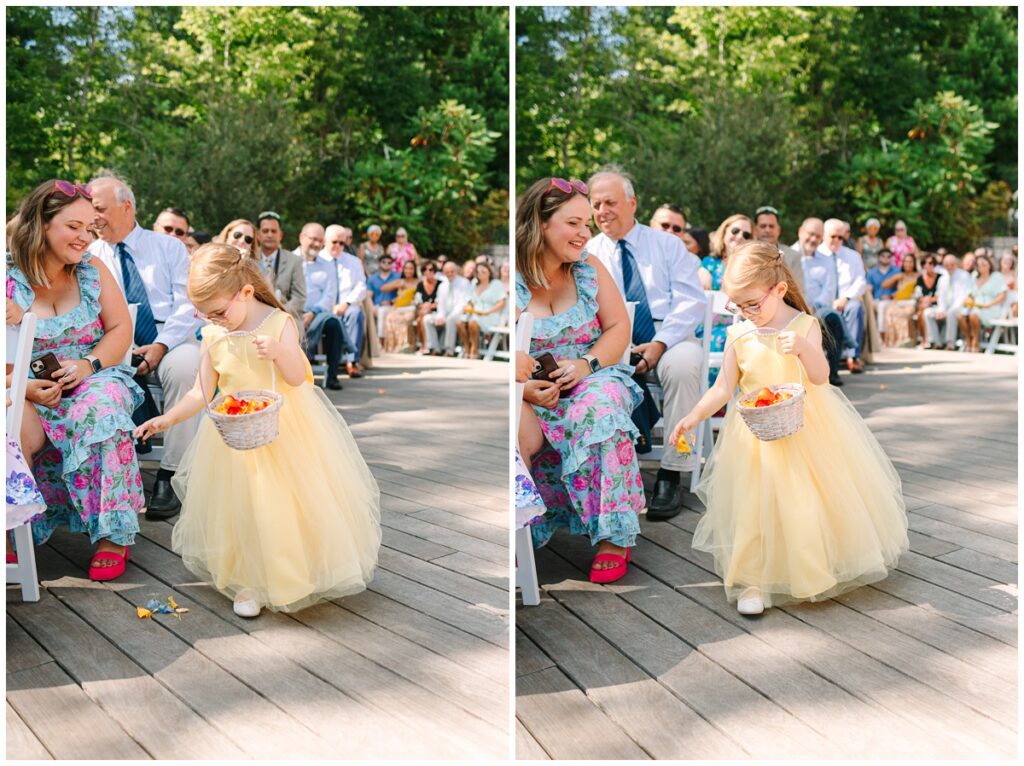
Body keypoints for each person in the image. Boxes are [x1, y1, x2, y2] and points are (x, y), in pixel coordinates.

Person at [134, 243, 381, 617]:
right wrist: (168, 420)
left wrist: (280, 353)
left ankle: (299, 570)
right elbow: (202, 391)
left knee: (287, 505)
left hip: (285, 430)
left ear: (246, 292)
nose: (213, 320)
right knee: (243, 508)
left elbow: (299, 378)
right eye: (205, 314)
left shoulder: (279, 324)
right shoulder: (214, 335)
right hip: (235, 438)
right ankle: (248, 579)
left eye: (218, 311)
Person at [669, 240, 908, 615]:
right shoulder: (739, 335)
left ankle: (813, 568)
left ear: (778, 290)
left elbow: (821, 377)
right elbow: (722, 389)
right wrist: (693, 416)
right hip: (754, 438)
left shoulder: (803, 325)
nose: (746, 313)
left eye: (753, 303)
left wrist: (802, 347)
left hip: (805, 428)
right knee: (752, 508)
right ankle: (752, 580)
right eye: (738, 305)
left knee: (805, 501)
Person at [7, 179, 146, 579]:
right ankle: (15, 533)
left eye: (91, 227)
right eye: (74, 227)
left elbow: (120, 329)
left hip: (93, 373)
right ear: (42, 223)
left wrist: (88, 365)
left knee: (100, 409)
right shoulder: (7, 277)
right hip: (23, 383)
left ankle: (112, 535)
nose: (85, 237)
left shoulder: (91, 269)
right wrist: (26, 387)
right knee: (14, 426)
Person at [517, 177, 645, 582]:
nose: (584, 233)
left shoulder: (588, 268)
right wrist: (521, 388)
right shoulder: (512, 279)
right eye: (573, 223)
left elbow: (618, 329)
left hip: (593, 375)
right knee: (514, 427)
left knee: (600, 408)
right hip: (528, 391)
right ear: (541, 222)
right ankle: (518, 528)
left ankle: (614, 536)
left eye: (586, 224)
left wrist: (587, 364)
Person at [587, 169, 706, 519]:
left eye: (610, 202)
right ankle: (614, 473)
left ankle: (672, 472)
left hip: (669, 334)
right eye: (596, 204)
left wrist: (659, 342)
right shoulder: (587, 253)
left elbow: (690, 301)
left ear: (632, 203)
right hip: (611, 339)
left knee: (685, 366)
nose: (603, 211)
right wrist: (617, 346)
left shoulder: (666, 244)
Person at [88, 173, 201, 518]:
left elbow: (188, 304)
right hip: (112, 339)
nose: (94, 218)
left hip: (169, 336)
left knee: (187, 367)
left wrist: (161, 346)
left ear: (126, 207)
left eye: (100, 209)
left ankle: (171, 474)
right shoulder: (89, 254)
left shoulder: (168, 247)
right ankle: (114, 471)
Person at [804, 218, 867, 377]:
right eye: (833, 236)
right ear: (824, 235)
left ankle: (852, 356)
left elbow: (860, 281)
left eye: (841, 237)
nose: (837, 241)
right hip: (820, 303)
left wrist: (845, 298)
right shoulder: (814, 254)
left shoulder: (853, 256)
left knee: (855, 308)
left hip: (845, 299)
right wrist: (825, 301)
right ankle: (847, 344)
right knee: (831, 315)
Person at [297, 222, 348, 389]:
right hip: (292, 311)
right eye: (313, 239)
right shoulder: (288, 260)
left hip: (318, 313)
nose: (317, 244)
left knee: (334, 324)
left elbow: (329, 296)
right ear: (302, 238)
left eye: (321, 240)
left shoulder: (327, 266)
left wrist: (312, 312)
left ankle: (333, 375)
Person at [322, 224, 368, 378]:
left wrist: (347, 303)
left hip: (346, 306)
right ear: (325, 240)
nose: (338, 246)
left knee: (356, 313)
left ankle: (352, 361)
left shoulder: (353, 261)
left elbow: (361, 286)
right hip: (322, 308)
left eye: (342, 243)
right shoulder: (316, 259)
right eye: (334, 242)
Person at [255, 211, 306, 322]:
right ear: (258, 235)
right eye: (265, 231)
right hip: (255, 315)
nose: (270, 235)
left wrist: (279, 312)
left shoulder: (295, 261)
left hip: (285, 316)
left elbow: (299, 298)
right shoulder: (250, 259)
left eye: (274, 231)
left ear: (280, 235)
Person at [959, 254, 1007, 352]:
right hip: (975, 306)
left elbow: (1003, 295)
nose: (981, 266)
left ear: (989, 264)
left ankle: (976, 342)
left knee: (973, 315)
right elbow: (970, 294)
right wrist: (969, 300)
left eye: (984, 264)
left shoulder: (996, 276)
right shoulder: (974, 277)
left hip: (991, 307)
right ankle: (968, 341)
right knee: (960, 316)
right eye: (979, 265)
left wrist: (989, 304)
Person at [458, 262, 507, 359]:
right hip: (475, 313)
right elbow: (470, 301)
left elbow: (502, 302)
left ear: (489, 272)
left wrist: (488, 312)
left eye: (483, 271)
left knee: (472, 322)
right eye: (478, 272)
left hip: (491, 314)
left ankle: (474, 349)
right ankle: (467, 348)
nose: (480, 274)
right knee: (459, 322)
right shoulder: (474, 283)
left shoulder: (496, 284)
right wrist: (469, 307)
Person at [924, 254, 971, 350]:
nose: (949, 267)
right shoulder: (942, 279)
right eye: (947, 265)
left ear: (956, 264)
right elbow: (940, 297)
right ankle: (936, 342)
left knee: (951, 313)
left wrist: (947, 310)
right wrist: (941, 310)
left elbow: (962, 297)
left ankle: (950, 344)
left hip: (959, 307)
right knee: (927, 313)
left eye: (952, 264)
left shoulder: (964, 276)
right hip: (945, 307)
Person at [753, 205, 804, 291]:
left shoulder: (794, 256)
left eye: (771, 226)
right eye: (763, 226)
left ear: (779, 230)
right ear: (755, 229)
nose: (767, 230)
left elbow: (799, 291)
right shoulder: (746, 255)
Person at [425, 260, 470, 356]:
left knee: (451, 319)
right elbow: (440, 304)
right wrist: (440, 316)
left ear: (456, 271)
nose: (450, 274)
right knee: (427, 319)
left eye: (452, 271)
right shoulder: (442, 286)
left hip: (458, 313)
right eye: (447, 272)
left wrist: (447, 317)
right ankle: (435, 348)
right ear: (444, 273)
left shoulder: (464, 283)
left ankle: (449, 350)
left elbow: (462, 304)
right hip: (444, 313)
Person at [701, 214, 753, 290]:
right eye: (735, 231)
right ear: (725, 230)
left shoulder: (753, 268)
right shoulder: (708, 262)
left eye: (746, 235)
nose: (740, 237)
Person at [881, 253, 921, 347]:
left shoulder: (918, 276)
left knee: (904, 314)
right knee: (889, 312)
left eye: (910, 262)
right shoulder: (900, 276)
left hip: (910, 302)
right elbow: (884, 285)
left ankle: (905, 339)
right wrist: (895, 279)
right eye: (906, 262)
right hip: (898, 302)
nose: (908, 264)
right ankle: (892, 341)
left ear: (914, 263)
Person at [382, 260, 421, 353]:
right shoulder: (400, 281)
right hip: (398, 307)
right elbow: (383, 288)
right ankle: (392, 346)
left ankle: (405, 345)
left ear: (414, 270)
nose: (408, 271)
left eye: (411, 268)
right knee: (389, 318)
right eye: (406, 268)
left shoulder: (418, 282)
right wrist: (398, 286)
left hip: (411, 308)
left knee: (405, 319)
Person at [366, 253, 401, 341]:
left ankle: (381, 340)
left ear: (392, 264)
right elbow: (369, 296)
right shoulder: (372, 278)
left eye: (389, 263)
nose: (386, 264)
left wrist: (391, 302)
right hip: (377, 306)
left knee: (382, 312)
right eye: (384, 262)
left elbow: (402, 294)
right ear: (379, 263)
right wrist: (372, 307)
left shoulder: (398, 276)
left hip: (393, 306)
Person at [865, 248, 900, 327]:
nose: (886, 258)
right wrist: (872, 303)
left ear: (891, 258)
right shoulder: (871, 272)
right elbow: (868, 290)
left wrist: (892, 296)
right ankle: (880, 335)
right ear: (878, 257)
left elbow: (901, 288)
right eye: (883, 256)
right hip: (877, 300)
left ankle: (882, 334)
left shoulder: (897, 271)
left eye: (888, 256)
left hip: (893, 300)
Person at [414, 261, 442, 354]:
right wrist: (423, 307)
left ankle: (426, 346)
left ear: (435, 271)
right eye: (425, 270)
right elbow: (418, 300)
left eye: (431, 270)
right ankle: (425, 345)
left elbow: (441, 301)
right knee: (420, 318)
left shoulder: (440, 284)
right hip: (424, 310)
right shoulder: (420, 284)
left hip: (438, 311)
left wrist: (430, 307)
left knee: (422, 318)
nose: (428, 272)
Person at [915, 254, 942, 348]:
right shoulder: (920, 278)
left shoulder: (940, 277)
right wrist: (923, 301)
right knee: (920, 312)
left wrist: (930, 300)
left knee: (924, 311)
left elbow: (941, 295)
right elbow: (918, 294)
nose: (928, 265)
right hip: (924, 305)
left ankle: (930, 340)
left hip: (938, 304)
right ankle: (925, 339)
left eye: (930, 263)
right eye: (925, 263)